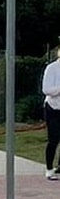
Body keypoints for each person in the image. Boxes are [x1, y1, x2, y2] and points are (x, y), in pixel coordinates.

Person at [42, 47, 60, 180]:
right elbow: (47, 89)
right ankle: (49, 168)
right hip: (53, 107)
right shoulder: (52, 68)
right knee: (53, 139)